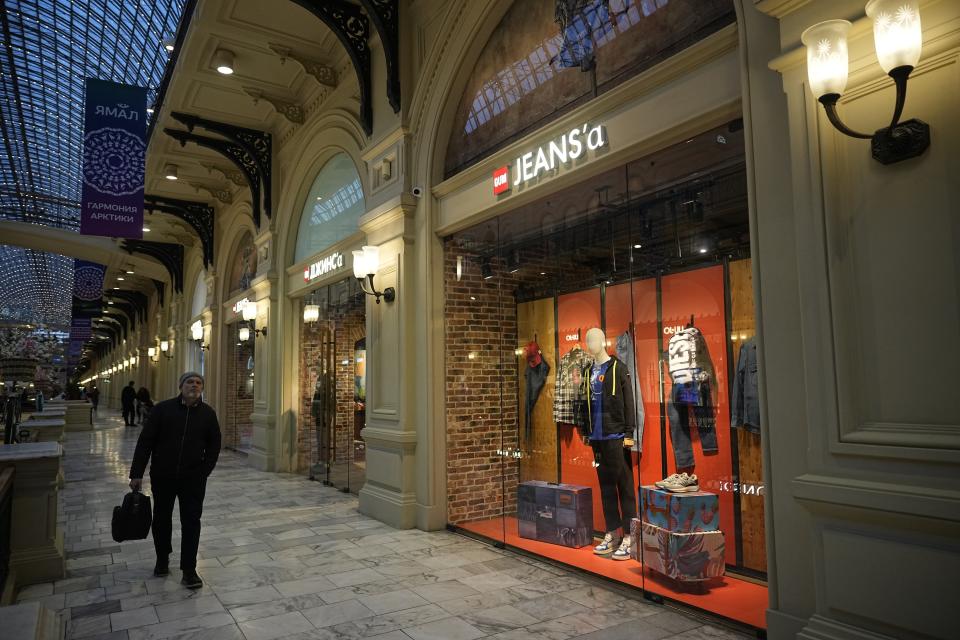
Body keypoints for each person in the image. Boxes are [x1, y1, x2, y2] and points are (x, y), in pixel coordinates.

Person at [128, 372, 221, 589]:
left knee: (191, 522)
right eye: (190, 382)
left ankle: (189, 569)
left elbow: (214, 445)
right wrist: (136, 473)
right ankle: (162, 558)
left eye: (198, 383)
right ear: (181, 386)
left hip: (193, 479)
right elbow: (146, 442)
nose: (194, 386)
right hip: (163, 476)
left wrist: (204, 471)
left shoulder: (208, 414)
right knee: (161, 519)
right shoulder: (163, 409)